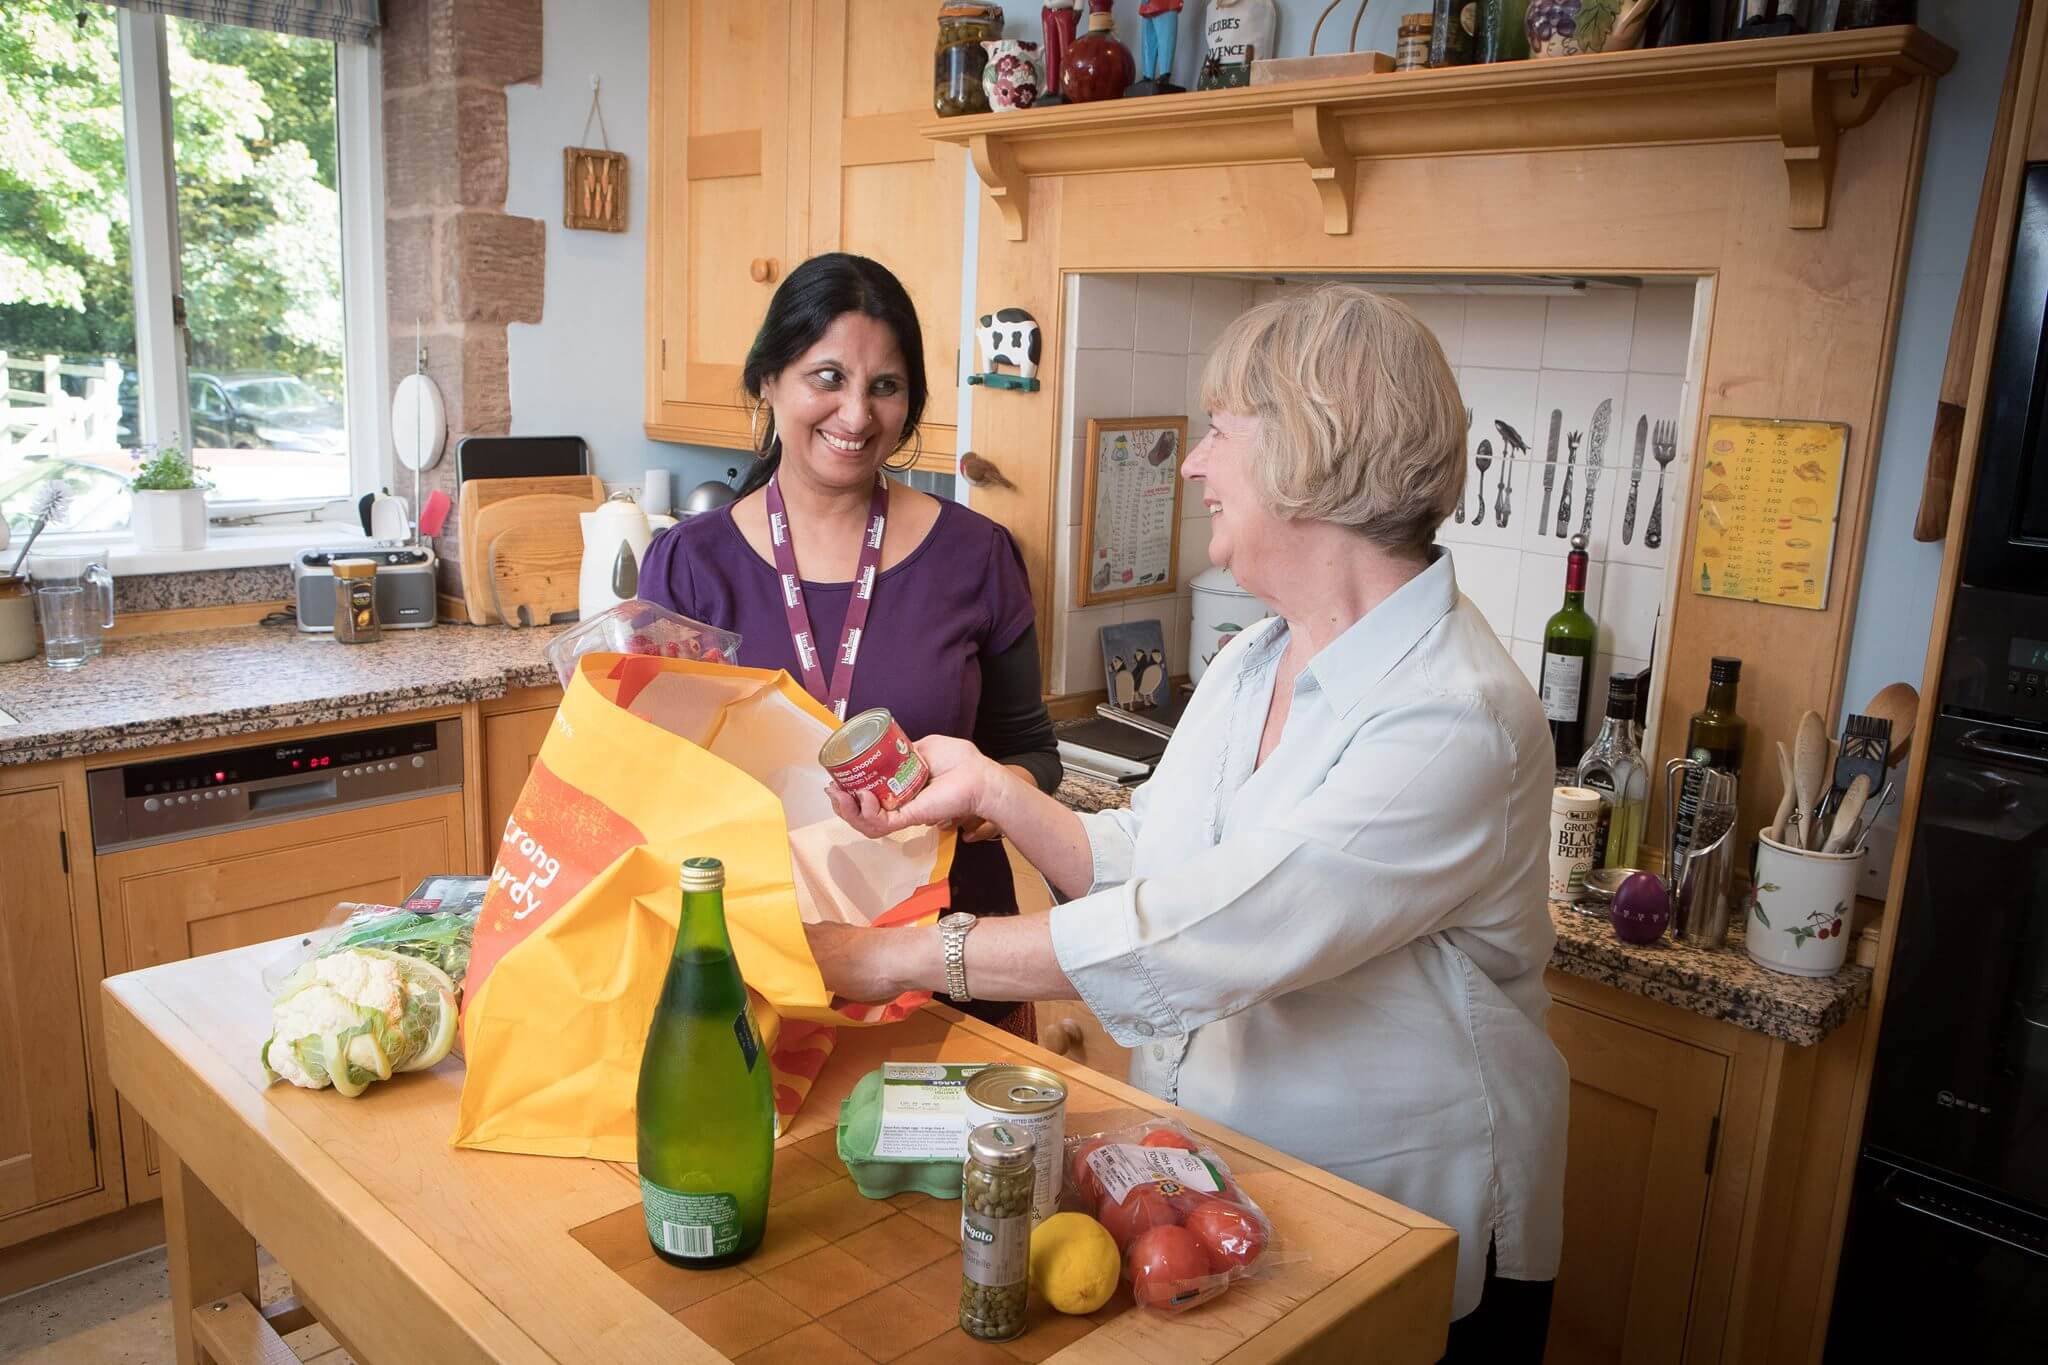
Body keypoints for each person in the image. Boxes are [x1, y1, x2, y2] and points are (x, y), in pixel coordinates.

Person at [805, 284, 1568, 1358]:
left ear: (1313, 449)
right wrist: (992, 791)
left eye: (1219, 431)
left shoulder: (1452, 719)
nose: (1195, 464)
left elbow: (1203, 934)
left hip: (1394, 1217)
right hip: (1227, 1194)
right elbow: (1149, 859)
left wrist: (889, 957)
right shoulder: (1258, 657)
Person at [638, 252, 1060, 1036]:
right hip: (756, 975)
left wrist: (980, 804)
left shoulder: (978, 556)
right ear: (769, 380)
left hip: (950, 967)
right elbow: (655, 784)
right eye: (827, 377)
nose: (857, 414)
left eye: (884, 386)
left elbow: (1035, 754)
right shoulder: (690, 567)